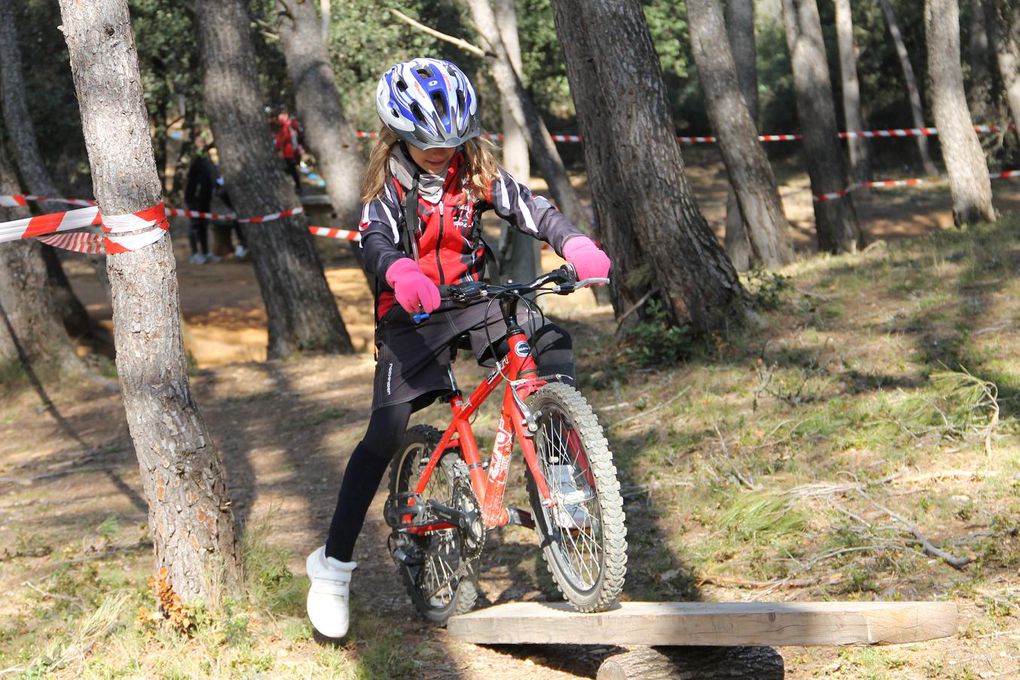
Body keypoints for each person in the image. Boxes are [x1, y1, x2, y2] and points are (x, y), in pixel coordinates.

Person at [304, 57, 612, 639]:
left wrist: (572, 240)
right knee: (385, 433)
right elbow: (374, 245)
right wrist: (400, 272)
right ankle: (333, 567)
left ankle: (564, 475)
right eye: (427, 143)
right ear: (400, 135)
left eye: (452, 141)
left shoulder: (474, 172)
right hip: (411, 311)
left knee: (547, 342)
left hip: (472, 296)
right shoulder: (386, 189)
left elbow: (531, 207)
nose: (441, 152)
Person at [183, 134, 221, 264]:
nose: (201, 144)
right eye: (198, 141)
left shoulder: (207, 158)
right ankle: (195, 254)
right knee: (195, 225)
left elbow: (211, 175)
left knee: (204, 224)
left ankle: (205, 252)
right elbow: (190, 172)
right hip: (193, 196)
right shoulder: (193, 158)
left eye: (202, 141)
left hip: (205, 196)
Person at [273, 108, 304, 195]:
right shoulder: (283, 126)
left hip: (290, 152)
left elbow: (284, 139)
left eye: (282, 115)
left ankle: (298, 187)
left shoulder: (289, 126)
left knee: (292, 170)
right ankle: (296, 187)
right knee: (290, 170)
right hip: (288, 152)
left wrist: (278, 147)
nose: (280, 117)